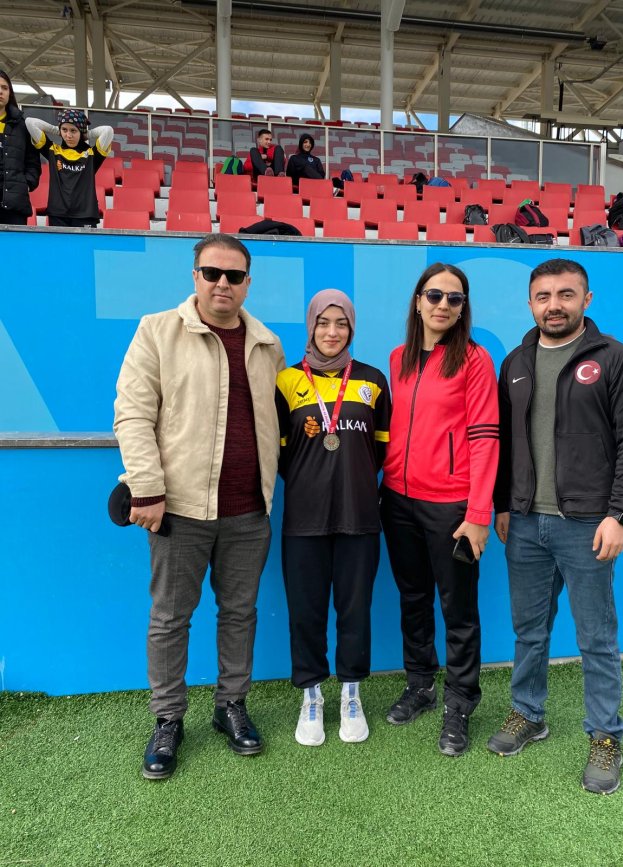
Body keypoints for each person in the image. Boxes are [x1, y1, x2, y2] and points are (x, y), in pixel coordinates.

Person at [114, 233, 285, 780]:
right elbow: (132, 414)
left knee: (240, 614)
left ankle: (230, 705)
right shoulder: (157, 331)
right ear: (195, 276)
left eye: (234, 276)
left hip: (248, 512)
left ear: (247, 283)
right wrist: (147, 489)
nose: (222, 284)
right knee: (170, 618)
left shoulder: (267, 344)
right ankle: (168, 718)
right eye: (212, 273)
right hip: (178, 511)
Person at [488, 258, 623, 795]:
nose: (553, 305)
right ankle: (528, 713)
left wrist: (619, 514)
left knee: (596, 638)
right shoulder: (516, 362)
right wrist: (504, 504)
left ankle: (605, 736)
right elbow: (507, 441)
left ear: (586, 299)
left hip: (587, 525)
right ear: (530, 302)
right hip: (525, 522)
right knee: (529, 631)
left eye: (565, 294)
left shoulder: (614, 359)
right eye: (543, 296)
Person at [380, 263, 499, 757]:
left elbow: (485, 436)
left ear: (463, 307)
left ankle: (460, 703)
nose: (443, 305)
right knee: (413, 599)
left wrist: (478, 513)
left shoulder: (474, 359)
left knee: (458, 610)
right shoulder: (399, 357)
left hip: (452, 506)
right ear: (418, 301)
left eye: (455, 298)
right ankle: (421, 684)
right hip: (398, 501)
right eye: (434, 295)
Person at [275, 290, 391, 747]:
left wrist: (350, 480)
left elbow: (380, 451)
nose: (332, 332)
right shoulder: (287, 381)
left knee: (355, 609)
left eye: (341, 323)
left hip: (359, 517)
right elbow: (279, 453)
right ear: (310, 327)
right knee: (305, 612)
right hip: (303, 520)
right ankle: (311, 696)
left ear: (352, 329)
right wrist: (313, 480)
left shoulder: (372, 380)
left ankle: (351, 693)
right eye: (323, 323)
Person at [25, 109, 113, 228]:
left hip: (85, 214)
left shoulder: (92, 154)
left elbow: (108, 130)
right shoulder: (53, 150)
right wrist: (57, 130)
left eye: (73, 131)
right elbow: (30, 122)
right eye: (64, 130)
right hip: (58, 214)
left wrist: (85, 134)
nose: (69, 135)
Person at [0, 69, 41, 225]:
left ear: (10, 93)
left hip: (14, 206)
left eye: (4, 88)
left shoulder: (23, 125)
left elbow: (33, 163)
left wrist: (26, 184)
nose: (0, 91)